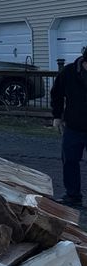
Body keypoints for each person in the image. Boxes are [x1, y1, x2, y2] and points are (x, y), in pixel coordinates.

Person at [51, 47, 87, 207]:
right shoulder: (68, 73)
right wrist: (57, 116)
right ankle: (73, 196)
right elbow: (56, 94)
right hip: (73, 126)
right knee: (70, 161)